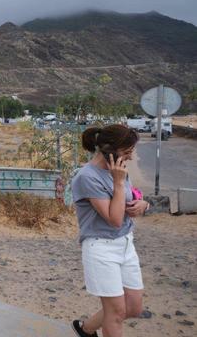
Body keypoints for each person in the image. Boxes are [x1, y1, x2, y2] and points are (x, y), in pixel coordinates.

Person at [70, 124, 150, 337]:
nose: (130, 158)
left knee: (133, 308)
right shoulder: (87, 177)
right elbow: (114, 219)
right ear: (109, 150)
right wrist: (117, 182)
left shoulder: (119, 170)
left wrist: (143, 203)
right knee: (115, 312)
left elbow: (132, 196)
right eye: (127, 152)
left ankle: (85, 329)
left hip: (125, 243)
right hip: (101, 248)